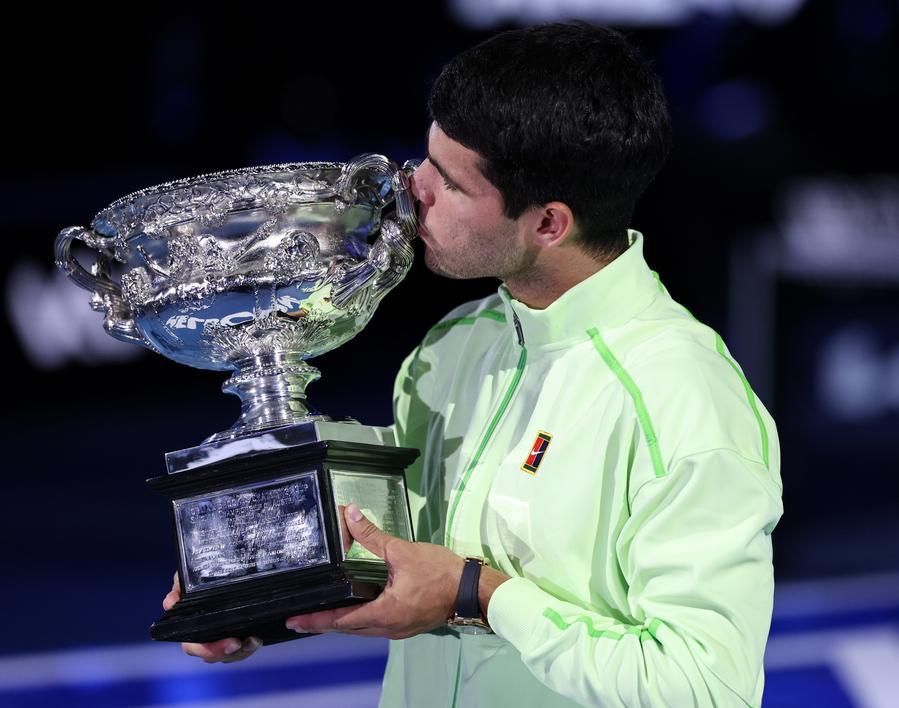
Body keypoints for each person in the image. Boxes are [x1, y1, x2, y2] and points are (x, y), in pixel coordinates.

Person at [165, 22, 784, 707]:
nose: (411, 190)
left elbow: (704, 689)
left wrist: (481, 594)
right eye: (425, 158)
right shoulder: (449, 349)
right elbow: (409, 579)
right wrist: (260, 590)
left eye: (450, 183)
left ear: (548, 223)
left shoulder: (682, 401)